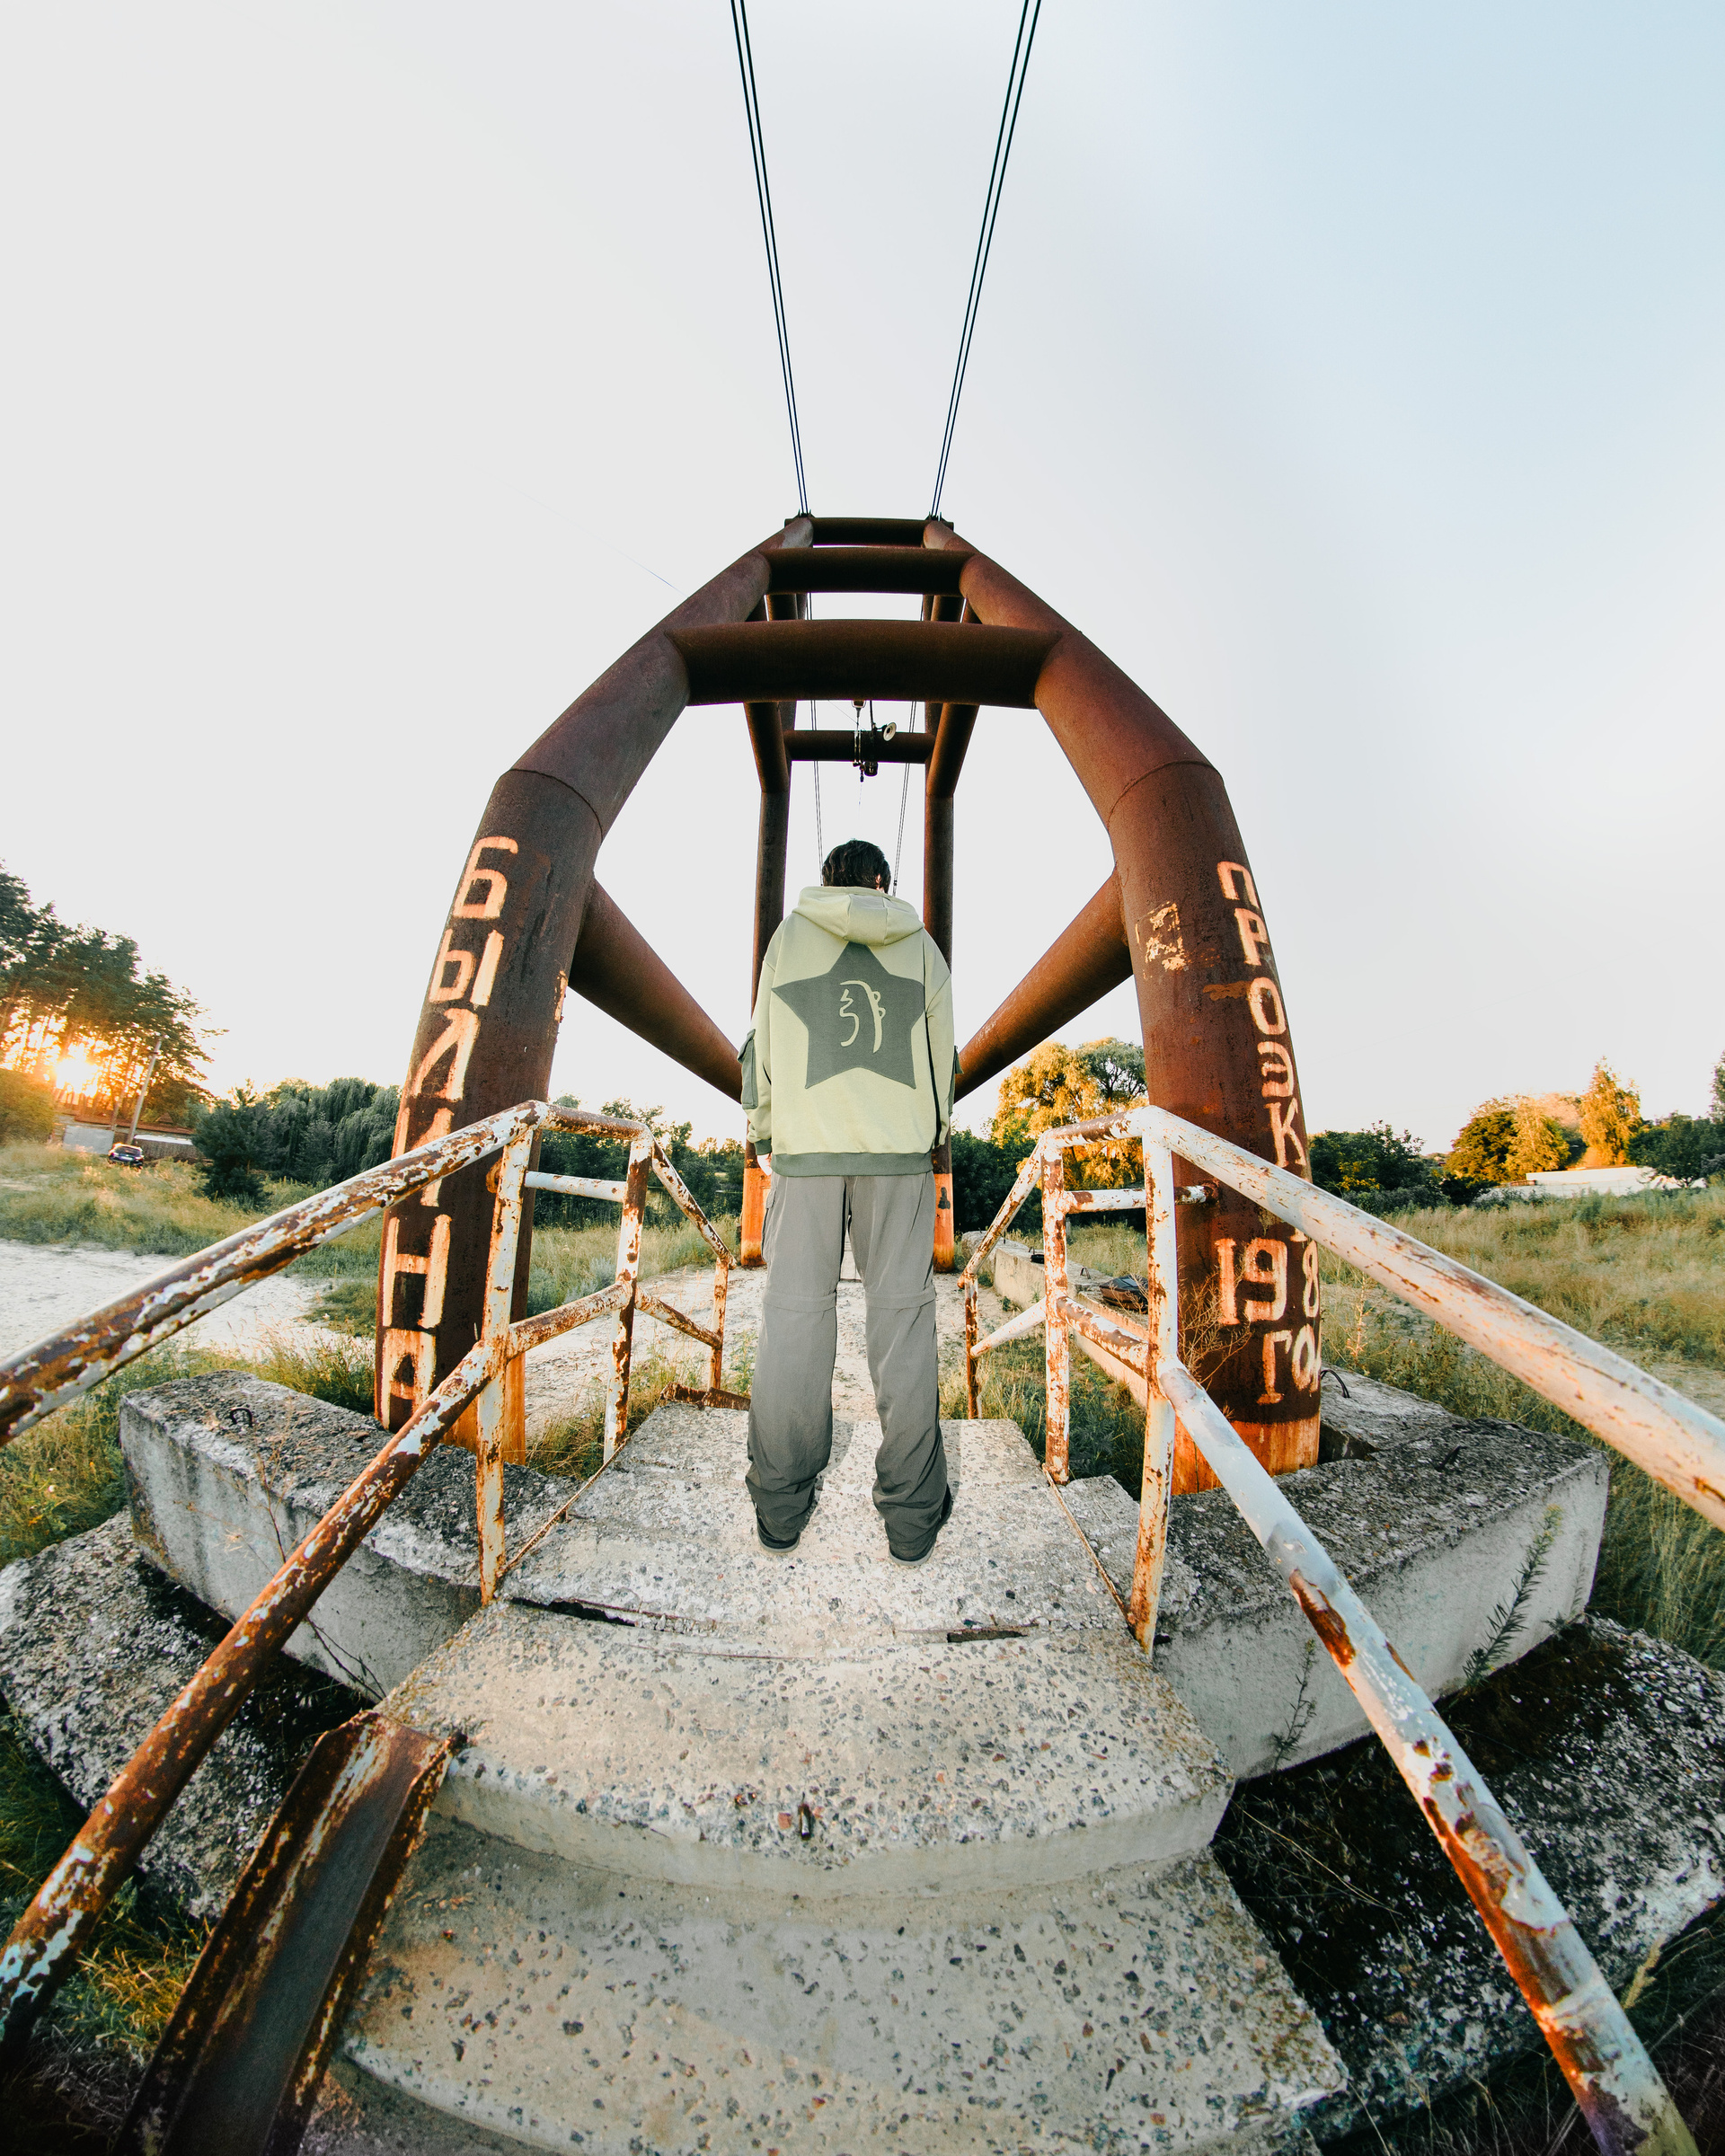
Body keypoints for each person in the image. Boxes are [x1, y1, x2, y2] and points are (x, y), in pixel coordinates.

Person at [740, 838, 957, 1565]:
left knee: (794, 1319)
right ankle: (912, 1520)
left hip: (805, 1155)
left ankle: (780, 1508)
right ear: (882, 881)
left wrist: (766, 1132)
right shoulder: (921, 948)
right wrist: (931, 1135)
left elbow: (764, 1047)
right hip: (898, 1156)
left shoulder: (788, 938)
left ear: (827, 879)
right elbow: (942, 1057)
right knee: (904, 1321)